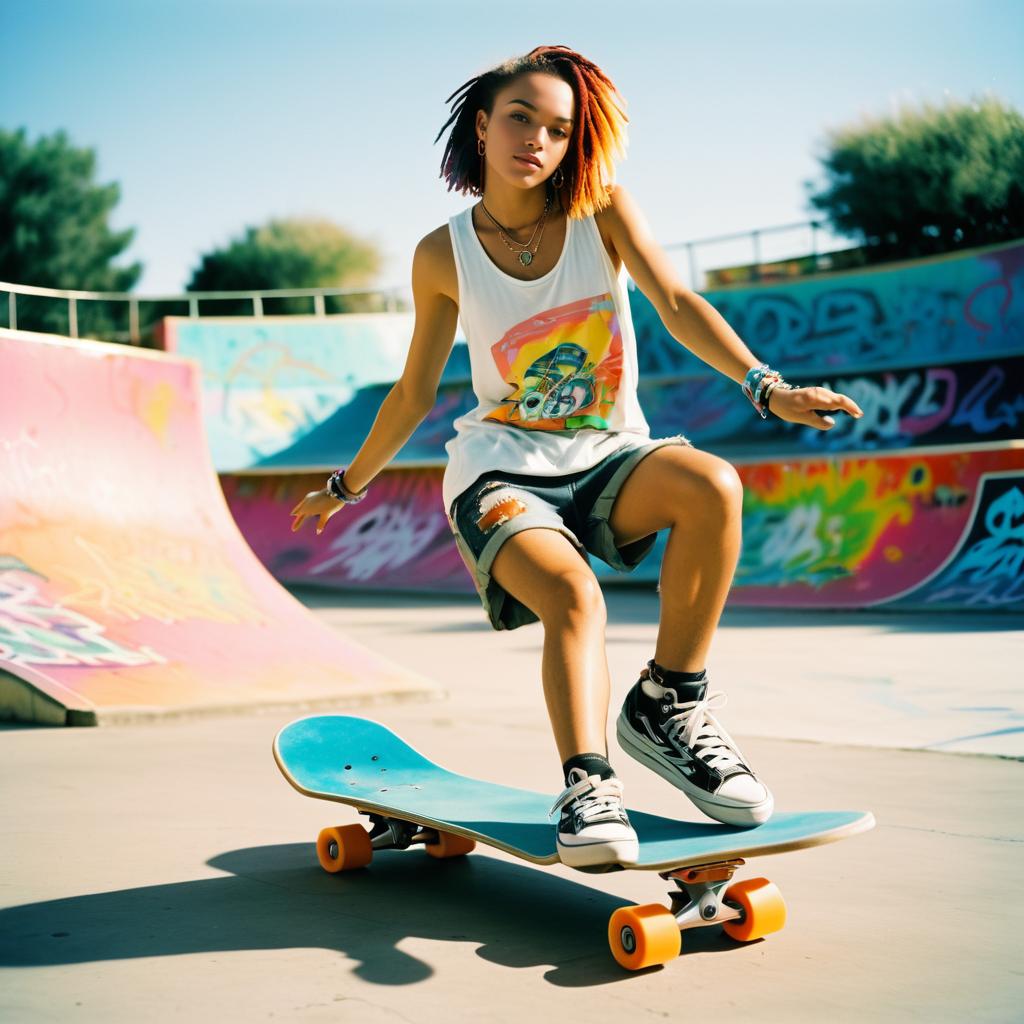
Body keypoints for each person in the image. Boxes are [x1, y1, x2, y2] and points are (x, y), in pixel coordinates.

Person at [290, 45, 863, 870]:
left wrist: (767, 388)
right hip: (498, 470)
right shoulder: (440, 255)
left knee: (712, 484)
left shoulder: (603, 213)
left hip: (608, 455)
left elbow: (675, 302)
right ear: (483, 126)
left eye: (558, 129)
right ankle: (587, 785)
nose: (537, 140)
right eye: (520, 118)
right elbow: (414, 391)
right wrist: (346, 486)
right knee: (572, 593)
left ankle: (669, 704)